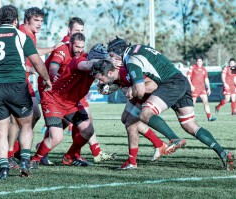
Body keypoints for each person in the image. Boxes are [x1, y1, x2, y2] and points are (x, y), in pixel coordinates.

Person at [91, 38, 234, 170]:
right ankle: (222, 152)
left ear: (118, 52)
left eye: (111, 55)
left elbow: (140, 92)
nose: (111, 59)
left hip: (170, 83)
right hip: (181, 81)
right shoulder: (137, 49)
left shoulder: (131, 60)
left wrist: (130, 90)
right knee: (190, 125)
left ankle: (173, 138)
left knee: (145, 113)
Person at [0, 5, 52, 179]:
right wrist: (46, 79)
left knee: (1, 131)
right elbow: (37, 62)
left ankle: (3, 169)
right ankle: (24, 160)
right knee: (25, 123)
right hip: (16, 86)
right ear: (16, 20)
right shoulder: (20, 35)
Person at [37, 32, 116, 164]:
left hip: (71, 100)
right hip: (54, 97)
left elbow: (103, 74)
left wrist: (109, 80)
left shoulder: (85, 57)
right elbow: (57, 66)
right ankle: (34, 158)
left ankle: (70, 156)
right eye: (77, 47)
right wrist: (53, 74)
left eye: (82, 47)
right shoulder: (75, 57)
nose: (79, 50)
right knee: (56, 136)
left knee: (87, 129)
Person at [8, 7, 61, 168]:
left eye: (41, 21)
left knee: (34, 115)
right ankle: (10, 154)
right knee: (14, 121)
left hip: (25, 81)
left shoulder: (30, 34)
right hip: (15, 81)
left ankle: (17, 150)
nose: (39, 24)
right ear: (26, 20)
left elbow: (33, 52)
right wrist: (52, 48)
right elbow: (33, 54)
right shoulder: (23, 32)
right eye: (36, 20)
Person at [97, 67, 174, 169]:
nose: (100, 81)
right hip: (136, 95)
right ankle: (159, 144)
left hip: (146, 95)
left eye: (101, 79)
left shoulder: (127, 69)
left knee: (130, 124)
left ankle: (132, 162)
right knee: (125, 119)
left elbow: (152, 85)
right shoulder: (113, 71)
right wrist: (109, 86)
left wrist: (132, 89)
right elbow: (120, 83)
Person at [187, 57, 217, 121]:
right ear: (196, 62)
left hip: (202, 89)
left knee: (206, 102)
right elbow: (188, 77)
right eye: (198, 61)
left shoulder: (204, 69)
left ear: (202, 62)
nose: (199, 62)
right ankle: (189, 117)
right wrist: (191, 85)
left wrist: (208, 88)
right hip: (194, 88)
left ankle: (209, 117)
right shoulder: (192, 67)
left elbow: (206, 79)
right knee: (192, 104)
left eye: (200, 61)